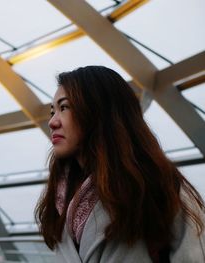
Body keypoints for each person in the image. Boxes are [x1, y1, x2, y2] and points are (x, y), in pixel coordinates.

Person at [35, 66, 205, 262]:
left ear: (98, 111)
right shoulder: (61, 199)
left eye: (64, 107)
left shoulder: (158, 187)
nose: (52, 122)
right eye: (52, 111)